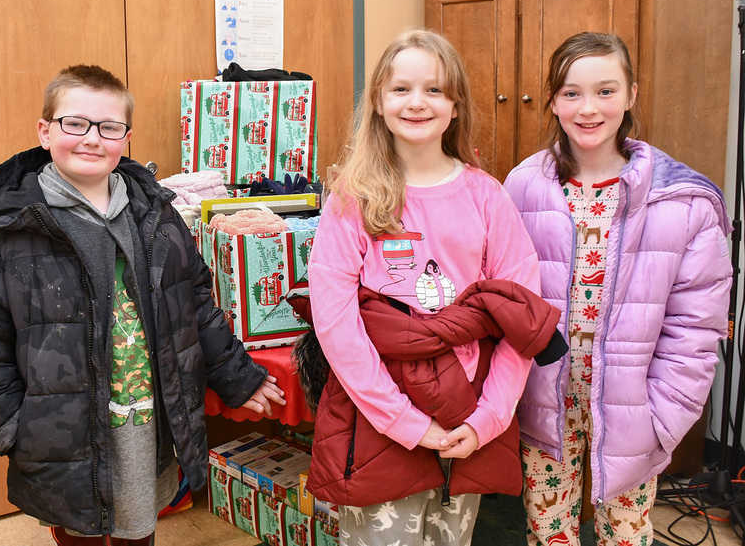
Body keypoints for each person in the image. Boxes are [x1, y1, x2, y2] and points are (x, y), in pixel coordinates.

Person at [0, 65, 285, 545]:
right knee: (79, 532)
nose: (91, 138)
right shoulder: (3, 233)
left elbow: (194, 303)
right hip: (64, 436)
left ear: (125, 138)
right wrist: (14, 430)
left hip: (148, 423)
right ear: (45, 131)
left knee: (139, 526)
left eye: (108, 127)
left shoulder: (157, 215)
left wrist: (236, 374)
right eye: (74, 123)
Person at [297, 29, 563, 546]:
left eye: (434, 89)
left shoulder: (487, 197)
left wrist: (488, 418)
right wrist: (402, 421)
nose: (417, 102)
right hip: (377, 415)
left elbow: (519, 318)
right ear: (378, 102)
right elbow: (336, 324)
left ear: (455, 105)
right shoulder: (353, 198)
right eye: (401, 89)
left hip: (468, 410)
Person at [503, 32, 733, 546]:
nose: (588, 108)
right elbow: (505, 297)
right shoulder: (521, 186)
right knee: (547, 533)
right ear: (552, 101)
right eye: (571, 93)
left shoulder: (684, 202)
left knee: (627, 536)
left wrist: (662, 417)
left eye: (605, 91)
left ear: (631, 94)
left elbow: (695, 328)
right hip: (543, 405)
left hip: (635, 412)